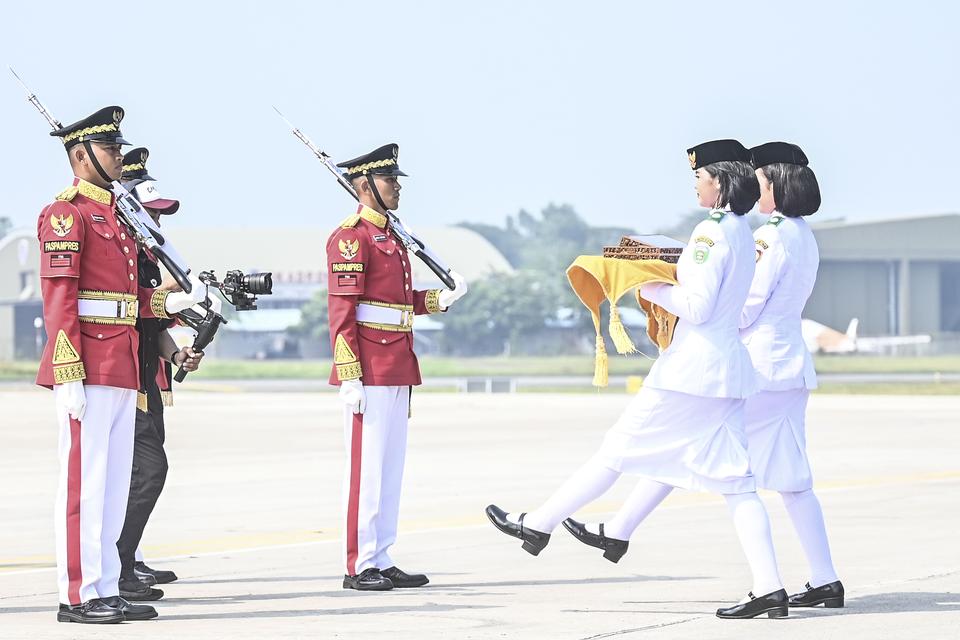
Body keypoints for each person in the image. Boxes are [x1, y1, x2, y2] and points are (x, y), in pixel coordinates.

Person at [486, 140, 790, 619]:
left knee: (615, 452)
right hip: (725, 371)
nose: (695, 184)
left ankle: (538, 525)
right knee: (738, 484)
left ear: (720, 180)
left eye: (699, 176)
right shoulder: (738, 230)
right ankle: (770, 587)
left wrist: (639, 280)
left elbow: (697, 306)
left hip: (690, 372)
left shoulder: (710, 233)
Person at [37, 106, 197, 624]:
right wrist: (67, 372)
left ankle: (106, 584)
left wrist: (169, 303)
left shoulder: (116, 215)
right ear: (80, 156)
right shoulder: (68, 214)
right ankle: (78, 594)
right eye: (110, 150)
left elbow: (129, 299)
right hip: (88, 363)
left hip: (123, 361)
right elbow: (60, 298)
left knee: (109, 485)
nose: (118, 157)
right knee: (85, 482)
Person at [326, 143, 468, 590]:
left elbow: (394, 304)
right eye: (390, 181)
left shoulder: (391, 236)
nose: (398, 188)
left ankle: (382, 555)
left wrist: (435, 301)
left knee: (390, 470)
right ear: (365, 186)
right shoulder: (352, 237)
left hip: (397, 364)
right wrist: (348, 375)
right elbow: (343, 311)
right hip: (368, 368)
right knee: (367, 470)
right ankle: (358, 564)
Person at [741, 142, 843, 608]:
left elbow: (749, 306)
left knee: (707, 453)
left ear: (776, 185)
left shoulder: (772, 236)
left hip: (761, 365)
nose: (754, 192)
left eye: (759, 183)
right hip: (791, 366)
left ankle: (616, 531)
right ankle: (825, 580)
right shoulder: (802, 234)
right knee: (794, 481)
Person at [114, 148, 208, 601]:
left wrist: (177, 357)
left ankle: (127, 558)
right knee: (148, 472)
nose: (158, 222)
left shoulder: (148, 258)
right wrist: (165, 296)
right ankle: (118, 563)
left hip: (147, 377)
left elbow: (154, 326)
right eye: (150, 213)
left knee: (140, 473)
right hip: (120, 377)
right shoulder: (121, 256)